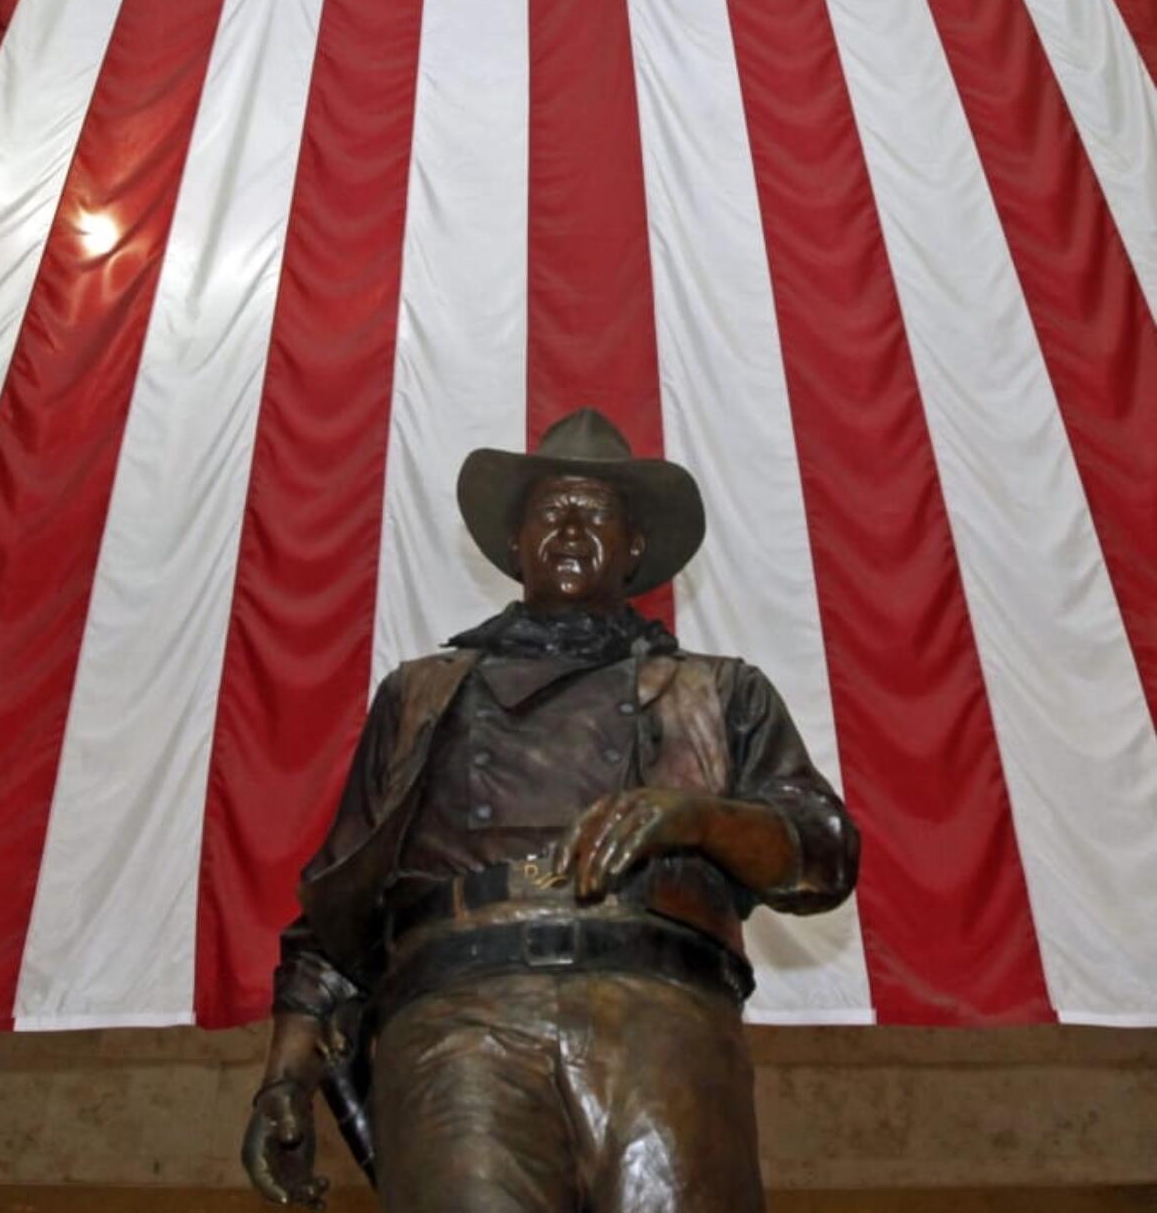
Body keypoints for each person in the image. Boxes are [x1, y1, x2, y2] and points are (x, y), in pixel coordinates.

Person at [242, 408, 859, 1213]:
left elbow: (824, 850)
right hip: (460, 1027)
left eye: (594, 511)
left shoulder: (718, 689)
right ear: (514, 542)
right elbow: (342, 898)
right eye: (549, 511)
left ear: (634, 547)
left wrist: (696, 818)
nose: (570, 528)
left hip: (661, 1019)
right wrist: (286, 1069)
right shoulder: (420, 695)